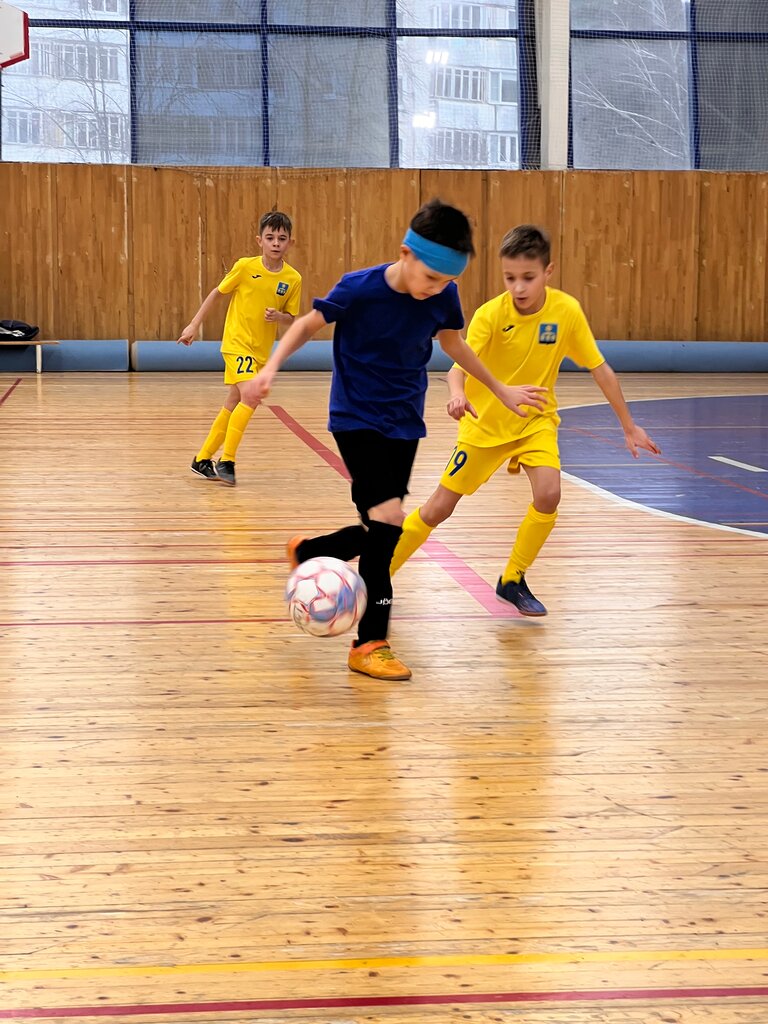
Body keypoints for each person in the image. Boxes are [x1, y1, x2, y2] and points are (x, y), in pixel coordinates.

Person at [240, 199, 546, 681]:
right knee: (386, 525)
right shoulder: (360, 287)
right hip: (355, 417)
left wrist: (500, 388)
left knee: (383, 528)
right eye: (431, 278)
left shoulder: (444, 294)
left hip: (404, 421)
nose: (436, 289)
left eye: (446, 281)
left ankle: (313, 550)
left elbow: (454, 344)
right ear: (406, 253)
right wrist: (269, 369)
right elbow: (306, 324)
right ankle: (369, 643)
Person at [389, 223, 661, 616]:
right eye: (510, 277)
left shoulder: (566, 312)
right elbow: (456, 369)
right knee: (438, 509)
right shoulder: (490, 314)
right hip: (485, 425)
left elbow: (600, 368)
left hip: (536, 422)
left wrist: (628, 425)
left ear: (548, 272)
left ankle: (512, 579)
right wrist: (457, 395)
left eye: (528, 278)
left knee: (549, 494)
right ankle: (381, 572)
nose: (518, 287)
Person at [178, 210, 302, 486]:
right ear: (260, 240)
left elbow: (291, 318)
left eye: (282, 238)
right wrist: (193, 324)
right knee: (252, 396)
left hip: (260, 350)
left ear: (290, 243)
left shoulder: (293, 278)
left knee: (234, 402)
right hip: (237, 343)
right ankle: (227, 460)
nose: (276, 243)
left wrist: (279, 317)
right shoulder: (245, 267)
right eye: (270, 237)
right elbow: (217, 293)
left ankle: (202, 459)